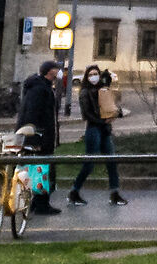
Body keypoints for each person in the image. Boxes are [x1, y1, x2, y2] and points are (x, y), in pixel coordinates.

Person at [67, 65, 125, 206]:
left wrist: (116, 114)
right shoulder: (85, 93)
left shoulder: (103, 90)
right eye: (91, 74)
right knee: (89, 164)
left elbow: (114, 107)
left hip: (104, 129)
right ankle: (74, 192)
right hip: (94, 129)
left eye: (96, 74)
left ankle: (115, 193)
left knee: (111, 161)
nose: (94, 76)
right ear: (87, 77)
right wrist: (103, 120)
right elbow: (87, 114)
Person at [15, 64, 62, 216]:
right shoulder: (39, 89)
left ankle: (37, 201)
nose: (59, 72)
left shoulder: (42, 86)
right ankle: (41, 203)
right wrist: (34, 136)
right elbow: (32, 113)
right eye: (56, 69)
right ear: (50, 72)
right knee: (42, 169)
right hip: (39, 137)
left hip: (40, 135)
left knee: (40, 168)